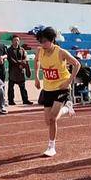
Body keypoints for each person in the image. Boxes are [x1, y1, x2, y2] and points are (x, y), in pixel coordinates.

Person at [34, 27, 80, 157]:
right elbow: (36, 61)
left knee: (52, 118)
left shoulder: (61, 52)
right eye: (41, 41)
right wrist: (36, 77)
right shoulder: (40, 51)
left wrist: (69, 81)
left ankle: (51, 147)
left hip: (61, 88)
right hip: (48, 88)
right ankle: (66, 109)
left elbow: (77, 64)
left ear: (52, 39)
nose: (43, 44)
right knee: (47, 121)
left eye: (45, 41)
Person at [7, 35, 32, 105]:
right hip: (12, 71)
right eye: (15, 40)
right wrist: (19, 64)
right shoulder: (9, 50)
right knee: (11, 88)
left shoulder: (22, 50)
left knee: (23, 87)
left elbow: (25, 58)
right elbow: (11, 60)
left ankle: (25, 100)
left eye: (17, 40)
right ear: (12, 41)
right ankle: (11, 101)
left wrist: (22, 64)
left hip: (21, 72)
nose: (16, 42)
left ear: (19, 41)